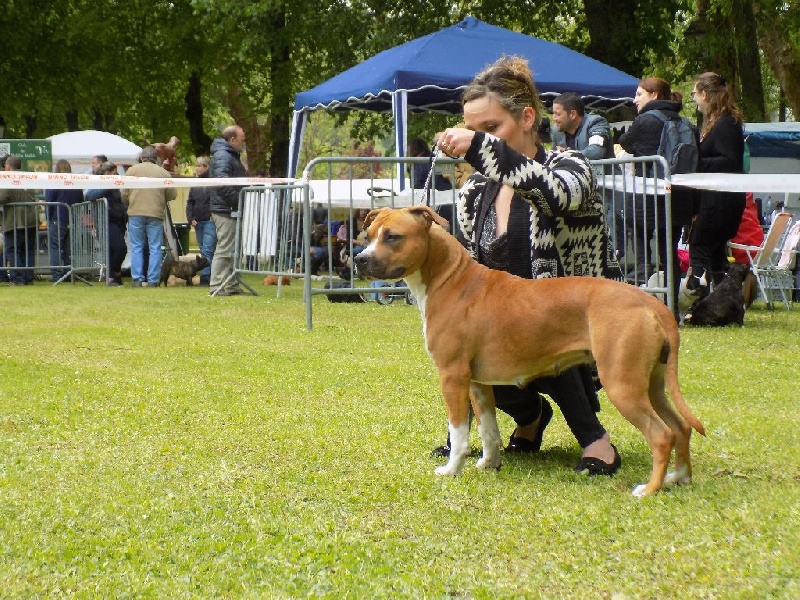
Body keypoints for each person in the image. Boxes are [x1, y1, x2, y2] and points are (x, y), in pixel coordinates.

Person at [433, 55, 622, 475]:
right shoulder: (474, 192)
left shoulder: (570, 166)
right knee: (462, 346)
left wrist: (482, 149)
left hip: (579, 325)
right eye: (474, 130)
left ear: (527, 117)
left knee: (545, 316)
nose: (481, 140)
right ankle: (529, 418)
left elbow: (556, 195)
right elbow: (468, 279)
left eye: (491, 128)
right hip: (508, 333)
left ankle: (596, 441)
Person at [618, 77, 694, 316]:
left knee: (641, 250)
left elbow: (625, 143)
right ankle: (670, 307)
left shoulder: (645, 120)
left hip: (646, 197)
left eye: (639, 94)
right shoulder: (686, 122)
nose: (635, 99)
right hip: (676, 199)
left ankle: (639, 307)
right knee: (668, 252)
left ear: (655, 95)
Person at [688, 72, 746, 287]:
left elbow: (729, 161)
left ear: (704, 93)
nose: (693, 99)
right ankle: (723, 301)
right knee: (715, 257)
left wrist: (697, 162)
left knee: (700, 247)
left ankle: (698, 297)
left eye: (694, 93)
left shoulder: (725, 124)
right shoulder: (720, 122)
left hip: (720, 202)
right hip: (719, 200)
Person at [122, 145, 177, 287]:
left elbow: (124, 193)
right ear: (156, 158)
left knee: (136, 247)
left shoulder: (131, 171)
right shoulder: (163, 173)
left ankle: (137, 279)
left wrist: (131, 201)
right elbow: (172, 195)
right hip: (156, 213)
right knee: (155, 247)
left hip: (135, 212)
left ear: (141, 158)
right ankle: (153, 280)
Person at [208, 124, 247, 296]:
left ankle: (231, 285)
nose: (243, 143)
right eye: (241, 140)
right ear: (232, 140)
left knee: (231, 249)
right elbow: (222, 184)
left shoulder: (227, 155)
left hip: (227, 207)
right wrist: (239, 202)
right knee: (225, 249)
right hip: (226, 208)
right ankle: (216, 285)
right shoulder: (224, 156)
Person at [85, 161, 128, 286]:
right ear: (107, 173)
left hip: (119, 220)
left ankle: (113, 279)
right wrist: (107, 186)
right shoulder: (98, 183)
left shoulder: (115, 186)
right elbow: (89, 195)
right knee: (121, 248)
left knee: (113, 251)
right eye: (114, 173)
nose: (116, 175)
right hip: (106, 221)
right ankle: (116, 272)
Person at [0, 155, 38, 285]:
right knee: (27, 250)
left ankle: (18, 278)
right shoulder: (28, 177)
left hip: (15, 220)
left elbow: (3, 197)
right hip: (31, 218)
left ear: (9, 166)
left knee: (12, 249)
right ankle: (28, 278)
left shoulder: (8, 178)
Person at [44, 159, 84, 282]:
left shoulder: (55, 181)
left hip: (58, 217)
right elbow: (80, 199)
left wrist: (48, 217)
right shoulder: (76, 182)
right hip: (72, 217)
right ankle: (68, 271)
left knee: (55, 246)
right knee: (68, 247)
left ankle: (56, 273)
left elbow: (49, 200)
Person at [550, 92, 614, 161]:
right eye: (553, 113)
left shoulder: (596, 122)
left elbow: (595, 152)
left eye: (558, 114)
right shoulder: (556, 130)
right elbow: (554, 157)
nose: (554, 118)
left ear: (573, 114)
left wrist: (567, 154)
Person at [185, 156, 215, 285]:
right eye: (196, 165)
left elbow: (215, 200)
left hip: (209, 221)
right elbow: (190, 202)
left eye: (199, 165)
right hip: (198, 221)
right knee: (203, 249)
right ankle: (208, 274)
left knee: (207, 249)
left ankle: (206, 276)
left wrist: (213, 215)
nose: (197, 168)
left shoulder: (213, 182)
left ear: (206, 167)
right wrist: (190, 218)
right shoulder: (195, 184)